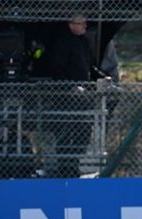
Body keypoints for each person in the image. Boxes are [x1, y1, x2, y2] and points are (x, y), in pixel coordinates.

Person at [46, 15, 94, 177]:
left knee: (84, 129)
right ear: (71, 25)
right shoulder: (63, 43)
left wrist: (102, 76)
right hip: (65, 97)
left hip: (83, 97)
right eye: (81, 24)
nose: (84, 27)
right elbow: (56, 68)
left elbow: (90, 67)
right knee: (65, 132)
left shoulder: (84, 43)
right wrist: (70, 86)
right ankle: (65, 166)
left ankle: (74, 161)